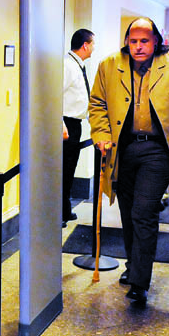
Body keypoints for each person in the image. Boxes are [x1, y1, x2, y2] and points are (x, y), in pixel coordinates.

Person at [88, 18, 169, 304]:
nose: (138, 46)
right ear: (126, 41)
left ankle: (139, 281)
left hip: (158, 149)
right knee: (127, 212)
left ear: (156, 41)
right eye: (133, 41)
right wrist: (101, 133)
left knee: (143, 211)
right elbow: (97, 103)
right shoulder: (110, 64)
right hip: (122, 149)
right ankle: (133, 266)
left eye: (144, 41)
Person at [63, 28, 95, 227]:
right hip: (67, 125)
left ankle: (65, 210)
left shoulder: (77, 65)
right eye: (92, 44)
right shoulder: (67, 66)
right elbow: (52, 95)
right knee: (64, 170)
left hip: (75, 124)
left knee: (69, 169)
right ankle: (59, 213)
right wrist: (60, 124)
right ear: (85, 45)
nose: (93, 48)